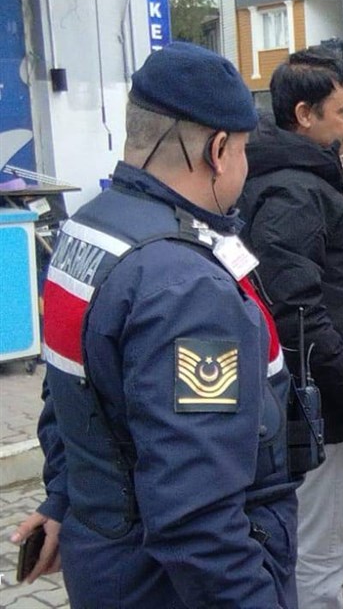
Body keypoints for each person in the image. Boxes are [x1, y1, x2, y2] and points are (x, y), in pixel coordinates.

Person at [9, 42, 301, 606]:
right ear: (219, 150)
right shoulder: (185, 286)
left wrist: (65, 496)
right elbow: (197, 516)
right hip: (166, 584)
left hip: (108, 555)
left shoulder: (89, 229)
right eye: (243, 149)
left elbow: (71, 392)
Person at [237, 47, 343, 608]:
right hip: (315, 407)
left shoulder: (295, 179)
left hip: (317, 395)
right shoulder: (293, 191)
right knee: (320, 548)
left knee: (317, 542)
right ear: (304, 115)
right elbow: (295, 309)